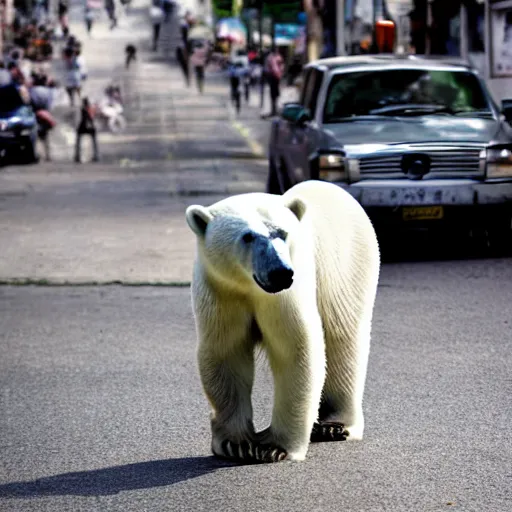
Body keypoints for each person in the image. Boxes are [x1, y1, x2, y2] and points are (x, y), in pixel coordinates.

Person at [75, 97, 99, 163]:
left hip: (84, 126)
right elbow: (93, 117)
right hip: (91, 126)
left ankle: (77, 156)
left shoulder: (83, 109)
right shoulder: (91, 109)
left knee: (78, 140)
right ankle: (96, 156)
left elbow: (85, 118)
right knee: (94, 141)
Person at [264, 46, 284, 117]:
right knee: (274, 94)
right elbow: (277, 68)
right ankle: (274, 110)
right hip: (274, 77)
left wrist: (278, 74)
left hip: (274, 77)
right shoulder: (274, 57)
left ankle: (274, 110)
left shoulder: (273, 57)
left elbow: (277, 68)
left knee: (274, 94)